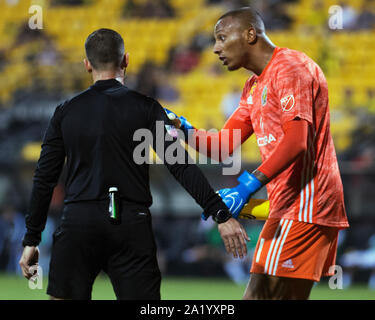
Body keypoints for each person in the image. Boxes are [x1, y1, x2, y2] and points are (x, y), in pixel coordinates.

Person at [18, 28, 249, 300]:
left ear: (87, 64)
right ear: (126, 60)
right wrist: (220, 214)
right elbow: (180, 166)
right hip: (130, 223)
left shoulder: (65, 111)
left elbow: (44, 177)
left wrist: (31, 238)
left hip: (79, 222)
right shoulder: (147, 107)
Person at [166, 7, 349, 300]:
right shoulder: (254, 86)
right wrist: (182, 128)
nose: (216, 48)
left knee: (258, 297)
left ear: (250, 34)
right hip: (292, 206)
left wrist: (247, 187)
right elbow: (222, 145)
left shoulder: (290, 67)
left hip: (305, 205)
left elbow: (298, 141)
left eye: (222, 38)